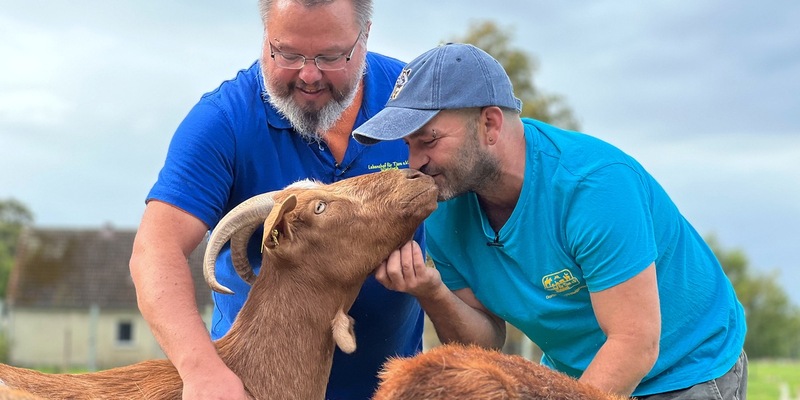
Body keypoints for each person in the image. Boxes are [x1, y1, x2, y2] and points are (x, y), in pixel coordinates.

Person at [353, 43, 748, 399]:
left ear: (489, 124)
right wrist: (432, 291)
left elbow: (634, 343)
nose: (414, 163)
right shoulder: (444, 201)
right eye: (408, 145)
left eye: (429, 140)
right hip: (573, 376)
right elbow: (487, 343)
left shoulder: (593, 187)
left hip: (685, 370)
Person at [129, 1, 426, 399]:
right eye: (286, 53)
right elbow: (155, 249)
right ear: (264, 35)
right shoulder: (225, 121)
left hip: (392, 389)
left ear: (365, 37)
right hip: (248, 389)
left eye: (330, 56)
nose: (308, 75)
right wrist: (202, 371)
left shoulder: (413, 99)